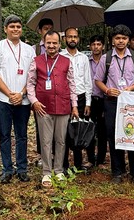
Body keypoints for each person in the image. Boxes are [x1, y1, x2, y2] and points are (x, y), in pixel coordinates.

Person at [93, 24, 134, 185]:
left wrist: (131, 88)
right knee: (113, 135)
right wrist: (107, 90)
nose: (121, 41)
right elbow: (97, 80)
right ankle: (117, 172)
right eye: (117, 38)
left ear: (128, 40)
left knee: (132, 135)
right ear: (112, 41)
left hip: (131, 102)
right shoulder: (106, 58)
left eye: (124, 38)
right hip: (112, 102)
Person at [28, 31, 79, 186]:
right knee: (45, 141)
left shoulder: (66, 61)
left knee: (61, 141)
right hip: (43, 107)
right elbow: (30, 83)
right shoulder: (36, 61)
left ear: (59, 44)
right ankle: (46, 172)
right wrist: (34, 101)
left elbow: (72, 83)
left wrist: (74, 105)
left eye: (54, 43)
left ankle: (58, 170)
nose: (51, 46)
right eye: (48, 43)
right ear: (44, 43)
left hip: (63, 106)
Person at [0, 15, 35, 183]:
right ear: (5, 29)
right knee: (4, 134)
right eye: (12, 27)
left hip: (23, 100)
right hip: (3, 98)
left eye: (18, 26)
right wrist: (10, 94)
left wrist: (22, 94)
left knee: (22, 135)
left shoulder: (29, 50)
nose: (15, 29)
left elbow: (32, 76)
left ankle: (22, 168)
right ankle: (7, 169)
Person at [61, 27, 92, 172]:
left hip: (80, 97)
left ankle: (78, 164)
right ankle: (64, 164)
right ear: (64, 39)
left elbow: (88, 81)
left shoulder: (84, 58)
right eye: (69, 36)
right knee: (64, 131)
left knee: (78, 130)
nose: (72, 39)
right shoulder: (60, 56)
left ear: (78, 39)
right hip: (64, 98)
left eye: (75, 36)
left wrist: (88, 102)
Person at [88, 35, 108, 168]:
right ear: (90, 46)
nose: (96, 47)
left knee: (102, 130)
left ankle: (100, 159)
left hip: (103, 98)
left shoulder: (107, 61)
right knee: (89, 128)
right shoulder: (85, 61)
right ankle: (90, 158)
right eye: (94, 44)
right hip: (90, 98)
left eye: (98, 44)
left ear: (103, 46)